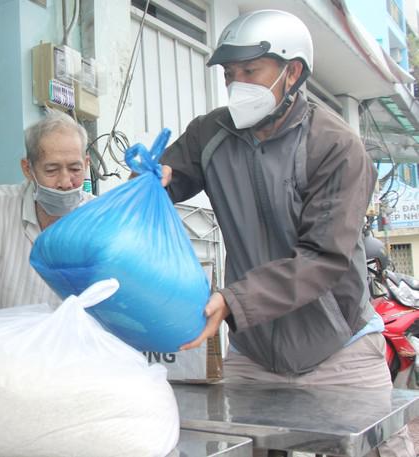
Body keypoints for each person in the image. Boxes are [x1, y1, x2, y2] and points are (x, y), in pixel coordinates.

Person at [159, 9, 414, 457]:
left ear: (292, 72)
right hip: (254, 354)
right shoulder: (209, 134)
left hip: (340, 351)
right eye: (229, 73)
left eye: (250, 71)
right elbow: (168, 179)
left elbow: (322, 259)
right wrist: (148, 179)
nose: (237, 83)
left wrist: (233, 301)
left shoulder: (336, 146)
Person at [0, 109, 92, 318]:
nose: (65, 182)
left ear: (86, 164)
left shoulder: (97, 218)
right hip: (1, 347)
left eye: (75, 169)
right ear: (27, 169)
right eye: (51, 170)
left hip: (68, 347)